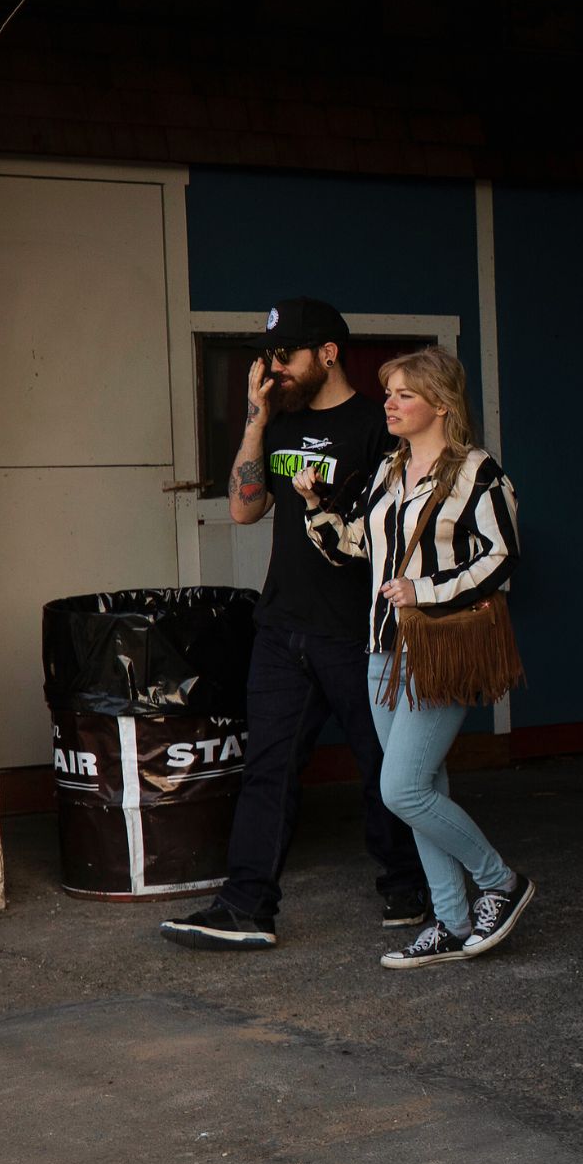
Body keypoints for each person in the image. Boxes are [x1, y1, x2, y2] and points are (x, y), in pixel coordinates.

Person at [160, 298, 429, 950]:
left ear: (327, 354)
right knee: (268, 768)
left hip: (358, 630)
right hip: (282, 626)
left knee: (385, 767)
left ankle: (407, 887)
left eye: (285, 355)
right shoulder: (278, 425)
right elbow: (245, 510)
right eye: (268, 356)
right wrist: (256, 421)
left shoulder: (378, 426)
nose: (273, 366)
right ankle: (246, 906)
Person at [297, 346, 534, 969]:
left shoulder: (479, 473)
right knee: (424, 786)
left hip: (442, 649)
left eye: (404, 394)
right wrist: (317, 508)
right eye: (389, 393)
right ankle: (452, 922)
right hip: (383, 649)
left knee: (401, 789)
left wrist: (424, 590)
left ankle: (500, 881)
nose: (390, 404)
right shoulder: (389, 468)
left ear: (442, 403)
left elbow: (503, 557)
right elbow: (358, 548)